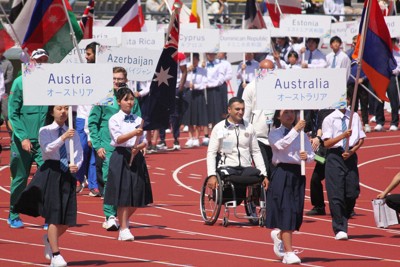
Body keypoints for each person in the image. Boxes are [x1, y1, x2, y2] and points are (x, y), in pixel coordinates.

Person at [14, 105, 83, 267]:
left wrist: (76, 166)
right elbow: (47, 150)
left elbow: (79, 153)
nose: (63, 112)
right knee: (54, 214)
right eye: (59, 108)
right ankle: (56, 254)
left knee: (67, 219)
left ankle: (48, 238)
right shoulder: (45, 130)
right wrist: (63, 138)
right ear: (52, 112)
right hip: (52, 172)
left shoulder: (73, 133)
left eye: (66, 108)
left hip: (68, 174)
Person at [88, 66, 141, 231]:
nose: (117, 81)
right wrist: (97, 146)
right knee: (110, 180)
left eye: (120, 78)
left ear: (125, 79)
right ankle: (110, 215)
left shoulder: (132, 99)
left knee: (127, 182)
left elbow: (139, 122)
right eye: (114, 79)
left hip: (129, 149)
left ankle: (122, 215)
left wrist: (139, 144)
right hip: (108, 147)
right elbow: (93, 123)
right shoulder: (104, 97)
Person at [7, 48, 49, 229]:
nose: (41, 63)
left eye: (44, 60)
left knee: (49, 176)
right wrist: (23, 137)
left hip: (44, 141)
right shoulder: (19, 82)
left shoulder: (51, 82)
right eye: (38, 60)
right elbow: (12, 114)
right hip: (22, 141)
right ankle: (13, 213)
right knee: (20, 179)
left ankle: (49, 215)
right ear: (30, 60)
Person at [104, 87, 153, 241]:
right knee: (123, 193)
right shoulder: (114, 119)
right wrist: (134, 133)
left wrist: (139, 146)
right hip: (120, 156)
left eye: (132, 99)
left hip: (136, 156)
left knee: (138, 193)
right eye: (126, 99)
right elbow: (118, 139)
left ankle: (122, 220)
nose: (130, 102)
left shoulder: (138, 120)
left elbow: (144, 140)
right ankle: (124, 228)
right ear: (119, 102)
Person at [266, 110, 314, 265]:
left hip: (298, 174)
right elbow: (281, 145)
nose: (290, 115)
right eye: (285, 112)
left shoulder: (302, 135)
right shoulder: (274, 133)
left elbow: (312, 154)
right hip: (282, 172)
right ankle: (288, 252)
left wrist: (307, 157)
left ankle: (280, 236)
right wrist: (296, 130)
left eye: (292, 112)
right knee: (286, 209)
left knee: (295, 211)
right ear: (278, 116)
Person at [322, 94, 365, 240]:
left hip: (350, 155)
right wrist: (342, 136)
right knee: (336, 193)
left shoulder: (354, 116)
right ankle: (340, 227)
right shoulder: (329, 119)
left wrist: (352, 151)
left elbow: (361, 138)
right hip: (335, 156)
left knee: (352, 192)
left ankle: (345, 215)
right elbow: (327, 143)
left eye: (345, 98)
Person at [206, 97, 268, 190]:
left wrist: (264, 174)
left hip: (246, 168)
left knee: (258, 176)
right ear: (229, 110)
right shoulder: (219, 128)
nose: (241, 112)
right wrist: (211, 175)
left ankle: (254, 199)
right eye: (237, 109)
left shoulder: (249, 127)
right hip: (227, 167)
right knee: (230, 179)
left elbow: (256, 152)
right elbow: (211, 153)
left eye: (243, 109)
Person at [242, 59, 276, 179]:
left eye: (270, 70)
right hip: (258, 137)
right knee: (263, 171)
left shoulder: (281, 86)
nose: (266, 73)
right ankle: (260, 197)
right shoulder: (251, 88)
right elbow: (245, 114)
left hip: (276, 138)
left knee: (275, 172)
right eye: (263, 70)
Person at [75, 41, 101, 196]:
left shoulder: (104, 73)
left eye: (89, 54)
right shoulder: (81, 71)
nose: (86, 57)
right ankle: (78, 179)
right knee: (82, 150)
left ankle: (93, 184)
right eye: (86, 53)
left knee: (95, 152)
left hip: (97, 117)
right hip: (82, 117)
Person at [373, 38, 400, 132]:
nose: (390, 43)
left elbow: (398, 67)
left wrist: (394, 70)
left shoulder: (397, 54)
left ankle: (394, 123)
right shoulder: (380, 54)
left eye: (392, 41)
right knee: (379, 100)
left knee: (394, 100)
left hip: (392, 78)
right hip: (381, 78)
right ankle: (379, 122)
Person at [182, 53, 208, 148]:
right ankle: (190, 137)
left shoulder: (203, 70)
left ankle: (197, 137)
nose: (194, 62)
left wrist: (196, 86)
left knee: (197, 116)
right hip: (189, 94)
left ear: (198, 60)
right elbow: (182, 82)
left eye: (195, 60)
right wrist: (187, 72)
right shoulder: (186, 70)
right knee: (189, 116)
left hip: (198, 94)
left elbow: (205, 83)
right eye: (192, 60)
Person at [346, 35, 371, 133]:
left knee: (364, 104)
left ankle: (365, 123)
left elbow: (370, 71)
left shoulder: (366, 55)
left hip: (362, 83)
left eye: (357, 44)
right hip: (352, 83)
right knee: (353, 105)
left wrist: (363, 79)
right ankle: (354, 124)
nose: (355, 45)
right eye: (354, 43)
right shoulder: (349, 54)